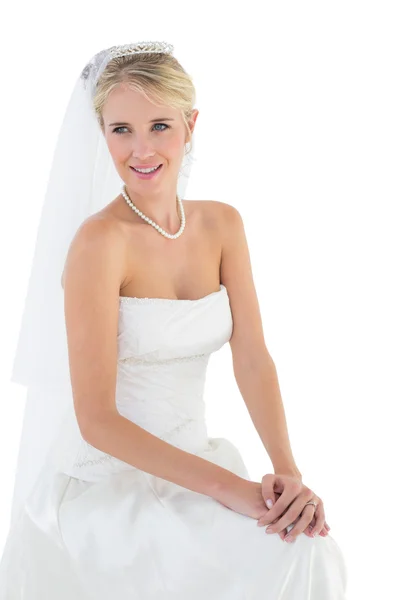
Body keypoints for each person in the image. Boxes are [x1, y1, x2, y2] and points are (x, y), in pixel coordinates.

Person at [0, 41, 348, 598]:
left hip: (199, 463)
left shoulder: (222, 225)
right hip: (110, 485)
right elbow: (96, 419)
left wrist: (288, 476)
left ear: (191, 124)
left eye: (160, 125)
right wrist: (228, 489)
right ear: (101, 132)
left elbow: (252, 357)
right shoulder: (98, 243)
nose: (141, 149)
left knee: (306, 549)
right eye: (121, 130)